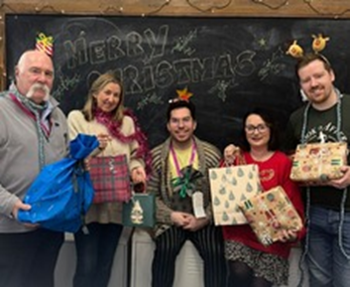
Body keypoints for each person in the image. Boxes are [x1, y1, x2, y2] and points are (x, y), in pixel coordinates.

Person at [67, 72, 148, 287]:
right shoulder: (78, 118)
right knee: (86, 265)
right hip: (88, 206)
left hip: (116, 207)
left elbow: (134, 156)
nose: (111, 99)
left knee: (105, 266)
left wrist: (137, 170)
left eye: (116, 95)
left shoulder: (126, 123)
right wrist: (93, 147)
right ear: (95, 93)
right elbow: (71, 158)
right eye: (107, 93)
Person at [0, 50, 69, 287]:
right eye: (35, 71)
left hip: (49, 227)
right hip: (9, 231)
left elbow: (63, 162)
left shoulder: (58, 115)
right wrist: (12, 207)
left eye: (48, 73)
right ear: (17, 73)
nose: (42, 79)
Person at [285, 53, 350, 287]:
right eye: (306, 80)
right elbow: (286, 159)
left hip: (349, 214)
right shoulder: (296, 119)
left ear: (331, 75)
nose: (313, 84)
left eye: (318, 76)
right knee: (318, 281)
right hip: (313, 214)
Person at [148, 97, 227, 287]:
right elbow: (150, 196)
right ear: (168, 125)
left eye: (186, 120)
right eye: (175, 121)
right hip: (171, 218)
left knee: (215, 251)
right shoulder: (156, 157)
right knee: (165, 249)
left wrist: (205, 218)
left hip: (203, 219)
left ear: (194, 124)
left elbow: (220, 195)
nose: (180, 126)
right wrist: (170, 216)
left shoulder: (211, 154)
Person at [223, 108, 305, 287]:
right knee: (239, 272)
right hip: (240, 236)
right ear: (244, 131)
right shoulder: (237, 159)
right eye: (250, 128)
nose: (255, 132)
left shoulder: (283, 162)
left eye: (261, 127)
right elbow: (221, 194)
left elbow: (295, 205)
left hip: (273, 240)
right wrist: (227, 161)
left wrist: (293, 233)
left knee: (261, 284)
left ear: (270, 129)